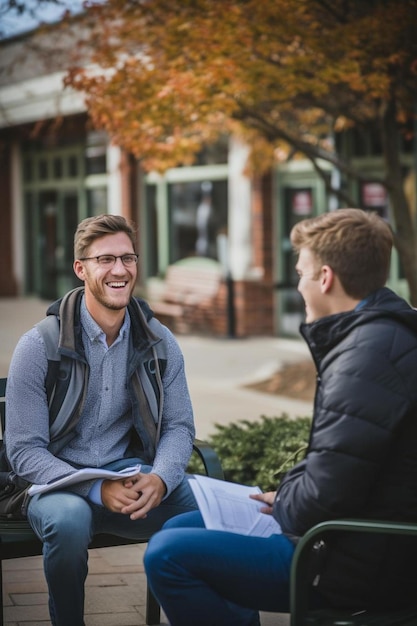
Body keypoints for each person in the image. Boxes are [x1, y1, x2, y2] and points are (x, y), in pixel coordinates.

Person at [144, 208, 417, 625]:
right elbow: (343, 465)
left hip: (350, 557)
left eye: (302, 273)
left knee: (168, 556)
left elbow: (323, 498)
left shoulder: (367, 358)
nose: (298, 285)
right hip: (352, 535)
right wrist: (287, 492)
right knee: (178, 526)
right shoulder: (381, 336)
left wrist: (288, 499)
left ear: (325, 278)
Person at [5, 214, 197, 626]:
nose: (119, 270)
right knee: (71, 522)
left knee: (212, 512)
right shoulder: (39, 345)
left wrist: (161, 476)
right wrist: (95, 487)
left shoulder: (159, 341)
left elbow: (179, 426)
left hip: (129, 475)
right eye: (105, 259)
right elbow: (23, 449)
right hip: (56, 484)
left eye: (127, 258)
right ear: (81, 268)